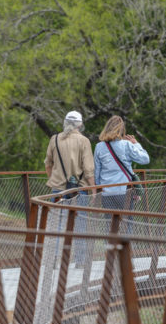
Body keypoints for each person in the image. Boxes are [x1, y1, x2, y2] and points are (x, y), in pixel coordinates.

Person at [44, 110, 95, 267]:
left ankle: (54, 259)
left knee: (58, 224)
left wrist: (53, 179)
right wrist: (93, 190)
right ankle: (80, 261)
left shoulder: (55, 139)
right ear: (80, 124)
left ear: (65, 122)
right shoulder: (84, 141)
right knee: (80, 225)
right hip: (79, 189)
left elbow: (48, 164)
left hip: (58, 189)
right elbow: (88, 169)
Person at [94, 115, 149, 211]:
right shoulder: (126, 145)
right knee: (127, 223)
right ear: (121, 129)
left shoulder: (99, 147)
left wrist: (98, 191)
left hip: (106, 191)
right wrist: (136, 144)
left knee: (110, 224)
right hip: (124, 191)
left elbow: (96, 172)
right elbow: (145, 159)